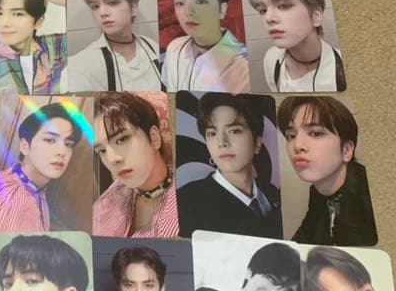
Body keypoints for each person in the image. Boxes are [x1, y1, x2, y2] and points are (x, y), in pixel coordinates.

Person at [177, 93, 282, 239]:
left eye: (234, 131)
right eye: (212, 133)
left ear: (257, 144)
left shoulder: (271, 194)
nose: (222, 142)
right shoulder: (185, 203)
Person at [277, 96, 377, 245]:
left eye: (316, 133)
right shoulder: (318, 190)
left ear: (346, 150)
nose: (297, 145)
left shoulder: (368, 197)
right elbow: (307, 232)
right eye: (291, 136)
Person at [0, 103, 83, 237]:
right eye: (50, 140)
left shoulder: (35, 190)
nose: (62, 152)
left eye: (68, 144)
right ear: (25, 146)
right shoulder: (12, 197)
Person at [92, 92, 178, 238]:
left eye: (122, 139)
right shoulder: (106, 202)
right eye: (102, 150)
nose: (112, 159)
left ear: (154, 138)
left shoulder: (186, 203)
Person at [246, 0, 346, 92]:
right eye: (263, 10)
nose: (268, 18)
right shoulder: (271, 59)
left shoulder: (345, 67)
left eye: (283, 6)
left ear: (316, 16)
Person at [68, 0, 162, 92]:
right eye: (95, 6)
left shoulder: (153, 48)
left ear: (133, 8)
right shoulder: (81, 64)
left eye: (112, 3)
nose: (102, 13)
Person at [161, 0, 250, 92]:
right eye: (180, 3)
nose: (188, 12)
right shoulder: (175, 48)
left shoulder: (244, 66)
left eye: (201, 1)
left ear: (222, 10)